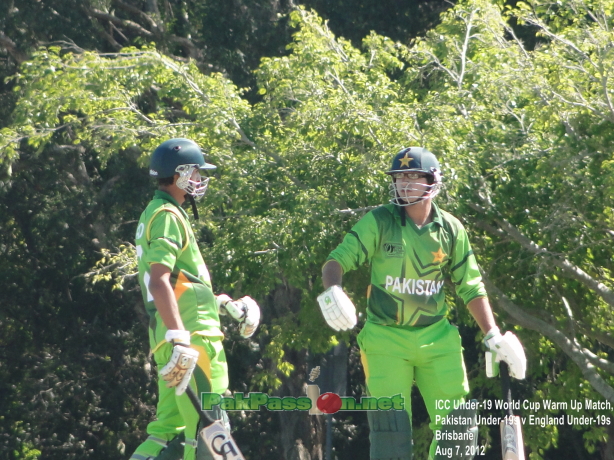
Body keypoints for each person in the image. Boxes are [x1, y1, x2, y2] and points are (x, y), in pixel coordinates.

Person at [317, 147, 527, 460]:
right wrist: (333, 289)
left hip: (437, 338)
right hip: (384, 339)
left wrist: (492, 333)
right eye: (399, 178)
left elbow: (471, 287)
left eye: (412, 176)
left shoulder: (451, 229)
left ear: (432, 181)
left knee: (459, 433)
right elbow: (336, 261)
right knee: (391, 437)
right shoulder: (379, 221)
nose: (404, 184)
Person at [130, 138, 260, 460]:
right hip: (192, 338)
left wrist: (223, 304)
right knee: (210, 430)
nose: (200, 180)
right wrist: (181, 338)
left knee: (166, 432)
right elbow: (161, 280)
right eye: (196, 173)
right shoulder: (168, 215)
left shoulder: (155, 212)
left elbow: (182, 285)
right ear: (180, 175)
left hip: (168, 334)